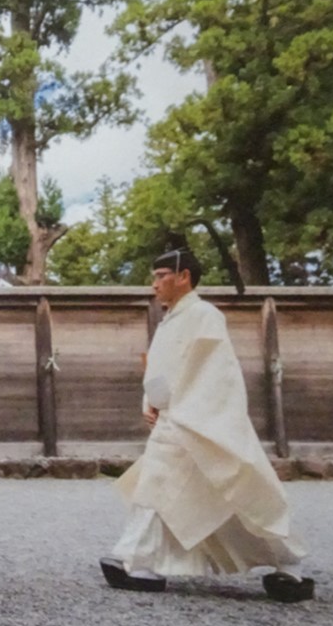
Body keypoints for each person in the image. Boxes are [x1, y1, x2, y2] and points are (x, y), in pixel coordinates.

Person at [100, 247, 314, 603]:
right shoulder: (171, 319)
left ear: (184, 276)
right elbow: (161, 368)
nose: (154, 284)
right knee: (203, 494)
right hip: (175, 417)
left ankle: (140, 561)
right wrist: (150, 400)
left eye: (161, 275)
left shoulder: (205, 315)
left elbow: (216, 373)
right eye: (154, 276)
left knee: (199, 487)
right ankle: (286, 564)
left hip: (196, 417)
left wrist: (182, 407)